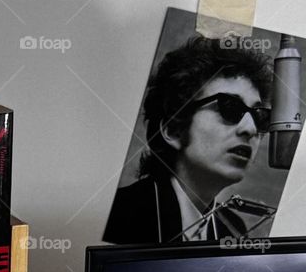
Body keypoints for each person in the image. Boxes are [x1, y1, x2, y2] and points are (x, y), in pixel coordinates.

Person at [104, 36, 273, 244]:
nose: (250, 128)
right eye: (229, 107)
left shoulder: (233, 228)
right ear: (174, 130)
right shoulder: (117, 215)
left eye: (259, 115)